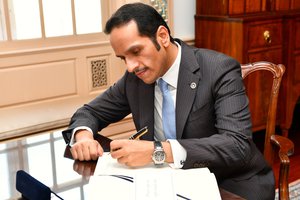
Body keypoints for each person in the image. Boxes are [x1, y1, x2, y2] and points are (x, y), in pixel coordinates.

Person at [62, 2, 275, 199]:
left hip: (229, 182)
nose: (130, 66)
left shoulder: (219, 69)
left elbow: (237, 145)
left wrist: (158, 150)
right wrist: (82, 136)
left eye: (136, 52)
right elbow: (89, 112)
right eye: (123, 58)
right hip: (165, 182)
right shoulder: (134, 80)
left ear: (162, 36)